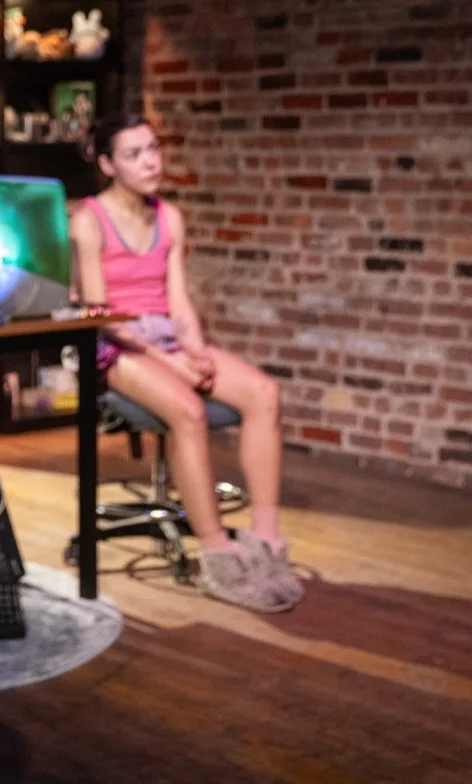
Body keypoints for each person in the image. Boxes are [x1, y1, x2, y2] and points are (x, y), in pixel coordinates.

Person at [69, 114, 304, 612]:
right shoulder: (89, 219)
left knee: (265, 394)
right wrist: (171, 366)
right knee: (188, 411)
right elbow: (100, 313)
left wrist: (192, 349)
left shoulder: (169, 217)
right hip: (115, 343)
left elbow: (178, 302)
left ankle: (265, 539)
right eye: (134, 154)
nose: (150, 160)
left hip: (165, 338)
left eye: (153, 148)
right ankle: (217, 554)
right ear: (109, 164)